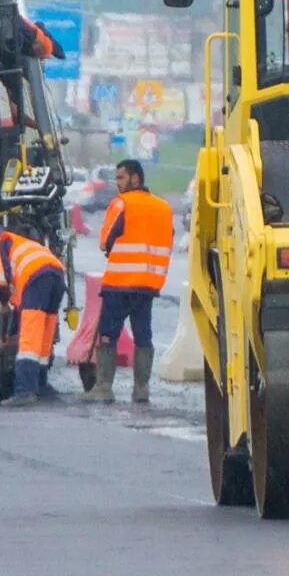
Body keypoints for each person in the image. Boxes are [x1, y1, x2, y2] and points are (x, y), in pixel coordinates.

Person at [83, 158, 174, 405]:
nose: (117, 183)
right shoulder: (163, 207)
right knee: (143, 334)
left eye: (121, 177)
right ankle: (141, 390)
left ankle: (103, 387)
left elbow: (105, 242)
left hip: (121, 282)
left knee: (108, 334)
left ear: (135, 178)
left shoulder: (122, 203)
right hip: (149, 284)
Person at [0, 229, 66, 406]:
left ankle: (25, 391)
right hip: (56, 274)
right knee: (44, 334)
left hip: (36, 276)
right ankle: (41, 386)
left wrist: (2, 303)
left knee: (30, 339)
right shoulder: (20, 246)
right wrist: (7, 337)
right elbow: (19, 314)